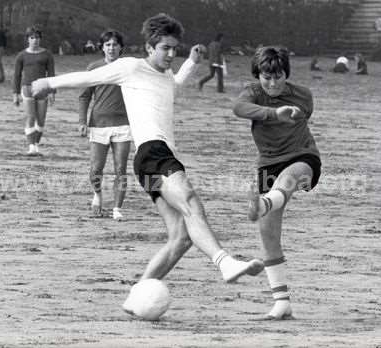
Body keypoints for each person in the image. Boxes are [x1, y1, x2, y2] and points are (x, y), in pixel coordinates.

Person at [31, 13, 264, 313]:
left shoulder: (166, 75)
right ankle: (225, 261)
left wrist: (191, 62)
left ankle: (135, 298)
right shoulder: (130, 67)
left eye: (174, 49)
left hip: (150, 164)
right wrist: (47, 82)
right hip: (153, 153)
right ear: (150, 47)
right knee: (190, 198)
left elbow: (173, 85)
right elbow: (87, 78)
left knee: (181, 238)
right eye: (165, 48)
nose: (170, 54)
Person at [233, 46, 322, 320]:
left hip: (303, 157)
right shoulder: (252, 92)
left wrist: (288, 113)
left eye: (278, 76)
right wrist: (274, 113)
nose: (272, 83)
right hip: (267, 163)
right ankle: (282, 302)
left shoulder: (303, 95)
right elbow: (239, 108)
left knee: (289, 177)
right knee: (268, 234)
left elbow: (305, 113)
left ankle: (265, 202)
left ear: (286, 74)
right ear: (258, 75)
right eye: (266, 77)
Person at [78, 30, 132, 220]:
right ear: (102, 47)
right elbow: (84, 96)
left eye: (115, 44)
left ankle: (117, 209)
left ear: (121, 48)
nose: (111, 48)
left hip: (124, 125)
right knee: (96, 169)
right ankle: (98, 195)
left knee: (120, 169)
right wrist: (82, 122)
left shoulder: (128, 68)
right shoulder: (94, 68)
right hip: (98, 124)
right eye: (108, 44)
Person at [13, 26, 55, 155]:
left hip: (42, 89)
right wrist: (15, 93)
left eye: (37, 37)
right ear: (27, 39)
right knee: (31, 116)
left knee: (41, 119)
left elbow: (52, 74)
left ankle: (36, 144)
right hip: (27, 88)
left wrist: (52, 91)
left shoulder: (47, 54)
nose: (35, 40)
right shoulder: (21, 55)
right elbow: (17, 75)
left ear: (40, 39)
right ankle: (31, 146)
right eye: (32, 38)